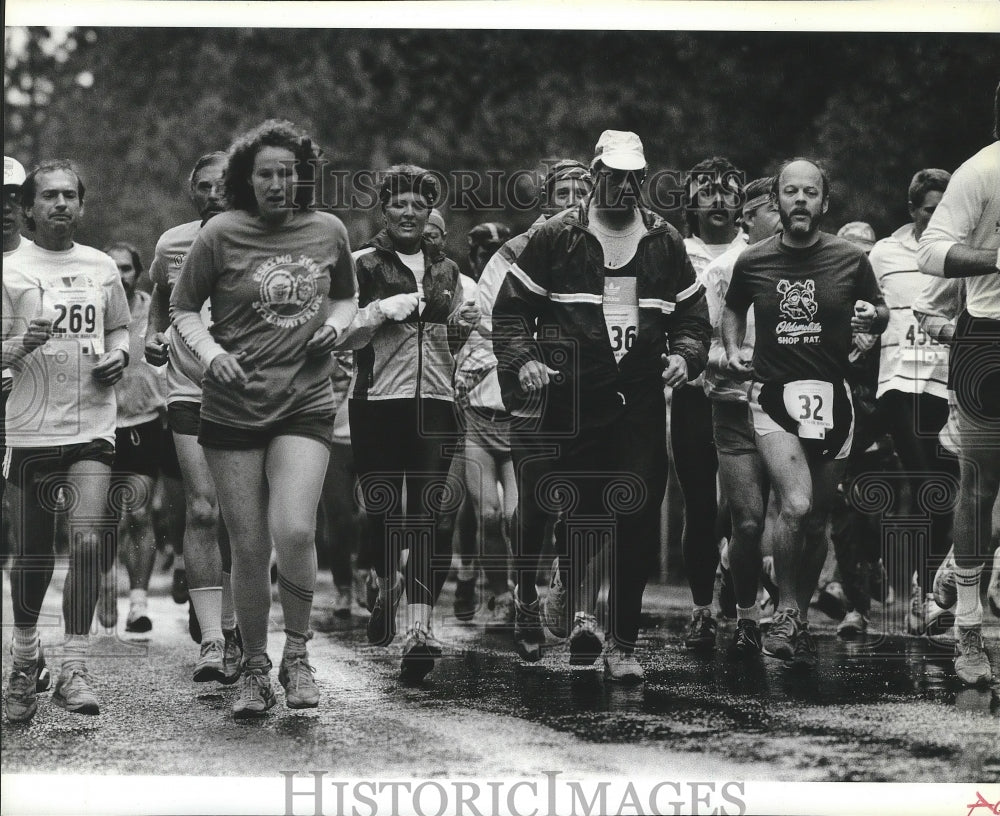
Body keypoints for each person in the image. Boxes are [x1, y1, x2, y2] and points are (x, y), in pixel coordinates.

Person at [493, 131, 710, 682]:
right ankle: (527, 595)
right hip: (566, 396)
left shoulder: (665, 241)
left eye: (634, 175)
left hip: (636, 400)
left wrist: (686, 356)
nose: (625, 185)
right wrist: (525, 362)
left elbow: (692, 321)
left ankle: (624, 645)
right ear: (595, 176)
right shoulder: (555, 238)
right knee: (550, 506)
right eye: (614, 175)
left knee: (635, 516)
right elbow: (512, 313)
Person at [170, 119, 358, 717]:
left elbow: (347, 295)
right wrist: (213, 355)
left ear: (302, 176)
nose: (278, 184)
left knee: (295, 530)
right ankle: (253, 665)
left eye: (288, 173)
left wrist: (337, 325)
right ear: (247, 179)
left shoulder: (328, 230)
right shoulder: (221, 233)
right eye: (266, 174)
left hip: (304, 401)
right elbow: (181, 309)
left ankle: (297, 655)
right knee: (249, 545)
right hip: (232, 407)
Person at [722, 157, 889, 671]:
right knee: (795, 504)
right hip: (774, 397)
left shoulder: (849, 259)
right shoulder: (753, 260)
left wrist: (873, 318)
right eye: (790, 192)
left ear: (823, 202)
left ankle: (795, 612)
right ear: (777, 200)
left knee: (817, 520)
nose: (800, 200)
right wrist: (733, 350)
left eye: (809, 192)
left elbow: (879, 311)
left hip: (834, 400)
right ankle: (789, 609)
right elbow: (733, 308)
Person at [3, 160, 131, 721]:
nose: (60, 204)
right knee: (31, 555)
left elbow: (121, 326)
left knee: (86, 543)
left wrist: (120, 355)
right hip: (28, 430)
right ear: (28, 208)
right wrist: (22, 345)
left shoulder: (102, 267)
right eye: (48, 196)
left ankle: (75, 665)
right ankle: (26, 655)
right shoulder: (8, 270)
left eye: (70, 195)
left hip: (91, 428)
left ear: (81, 205)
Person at [339, 164, 478, 682]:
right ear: (385, 208)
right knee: (380, 511)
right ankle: (382, 581)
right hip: (377, 401)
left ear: (429, 212)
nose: (409, 212)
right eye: (399, 203)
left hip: (435, 405)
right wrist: (378, 310)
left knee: (425, 513)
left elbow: (461, 346)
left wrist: (464, 334)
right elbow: (341, 336)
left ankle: (419, 629)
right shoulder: (360, 265)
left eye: (419, 204)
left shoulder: (451, 273)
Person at [458, 159, 594, 636]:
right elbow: (495, 317)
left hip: (584, 393)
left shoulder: (608, 246)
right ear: (546, 201)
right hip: (527, 396)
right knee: (527, 507)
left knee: (580, 499)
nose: (574, 199)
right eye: (563, 192)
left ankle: (572, 598)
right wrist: (528, 359)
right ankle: (523, 592)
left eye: (584, 189)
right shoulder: (515, 250)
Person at [832, 171, 958, 639]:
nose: (937, 216)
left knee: (941, 498)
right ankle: (901, 599)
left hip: (945, 386)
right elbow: (858, 306)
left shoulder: (958, 254)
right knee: (921, 483)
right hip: (895, 385)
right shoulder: (884, 254)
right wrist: (859, 335)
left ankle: (920, 597)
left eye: (945, 208)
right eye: (929, 209)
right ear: (912, 210)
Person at [146, 150, 244, 682]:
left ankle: (230, 624)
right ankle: (212, 640)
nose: (213, 194)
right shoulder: (172, 243)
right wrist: (155, 341)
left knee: (239, 517)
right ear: (193, 192)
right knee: (204, 511)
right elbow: (164, 300)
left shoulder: (263, 238)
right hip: (188, 390)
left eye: (222, 185)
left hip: (249, 395)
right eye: (203, 186)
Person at [916, 82, 1000, 687]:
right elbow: (931, 251)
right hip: (989, 336)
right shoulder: (981, 170)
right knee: (979, 485)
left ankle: (957, 571)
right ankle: (968, 628)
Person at [701, 176, 782, 658]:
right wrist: (727, 358)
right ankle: (747, 616)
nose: (785, 212)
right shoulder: (722, 270)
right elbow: (698, 341)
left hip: (791, 408)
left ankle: (791, 613)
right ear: (746, 217)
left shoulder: (806, 265)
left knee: (797, 514)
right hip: (734, 406)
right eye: (771, 206)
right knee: (748, 523)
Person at [677, 155, 747, 651]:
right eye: (707, 191)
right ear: (692, 203)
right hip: (691, 393)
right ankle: (701, 608)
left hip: (747, 392)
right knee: (700, 504)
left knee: (744, 507)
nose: (718, 198)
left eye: (727, 190)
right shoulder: (674, 251)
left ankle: (736, 582)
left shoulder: (758, 249)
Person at [101, 242, 167, 633]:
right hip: (100, 423)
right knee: (106, 519)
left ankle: (138, 602)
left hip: (143, 423)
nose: (120, 274)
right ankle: (107, 584)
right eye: (112, 268)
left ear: (137, 272)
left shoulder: (152, 310)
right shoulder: (91, 310)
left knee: (139, 511)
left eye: (126, 268)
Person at [452, 220, 512, 625]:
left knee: (514, 515)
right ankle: (483, 581)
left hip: (516, 417)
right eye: (482, 252)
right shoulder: (459, 292)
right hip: (470, 415)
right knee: (479, 510)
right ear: (471, 255)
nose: (489, 258)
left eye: (497, 250)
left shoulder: (520, 288)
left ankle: (515, 588)